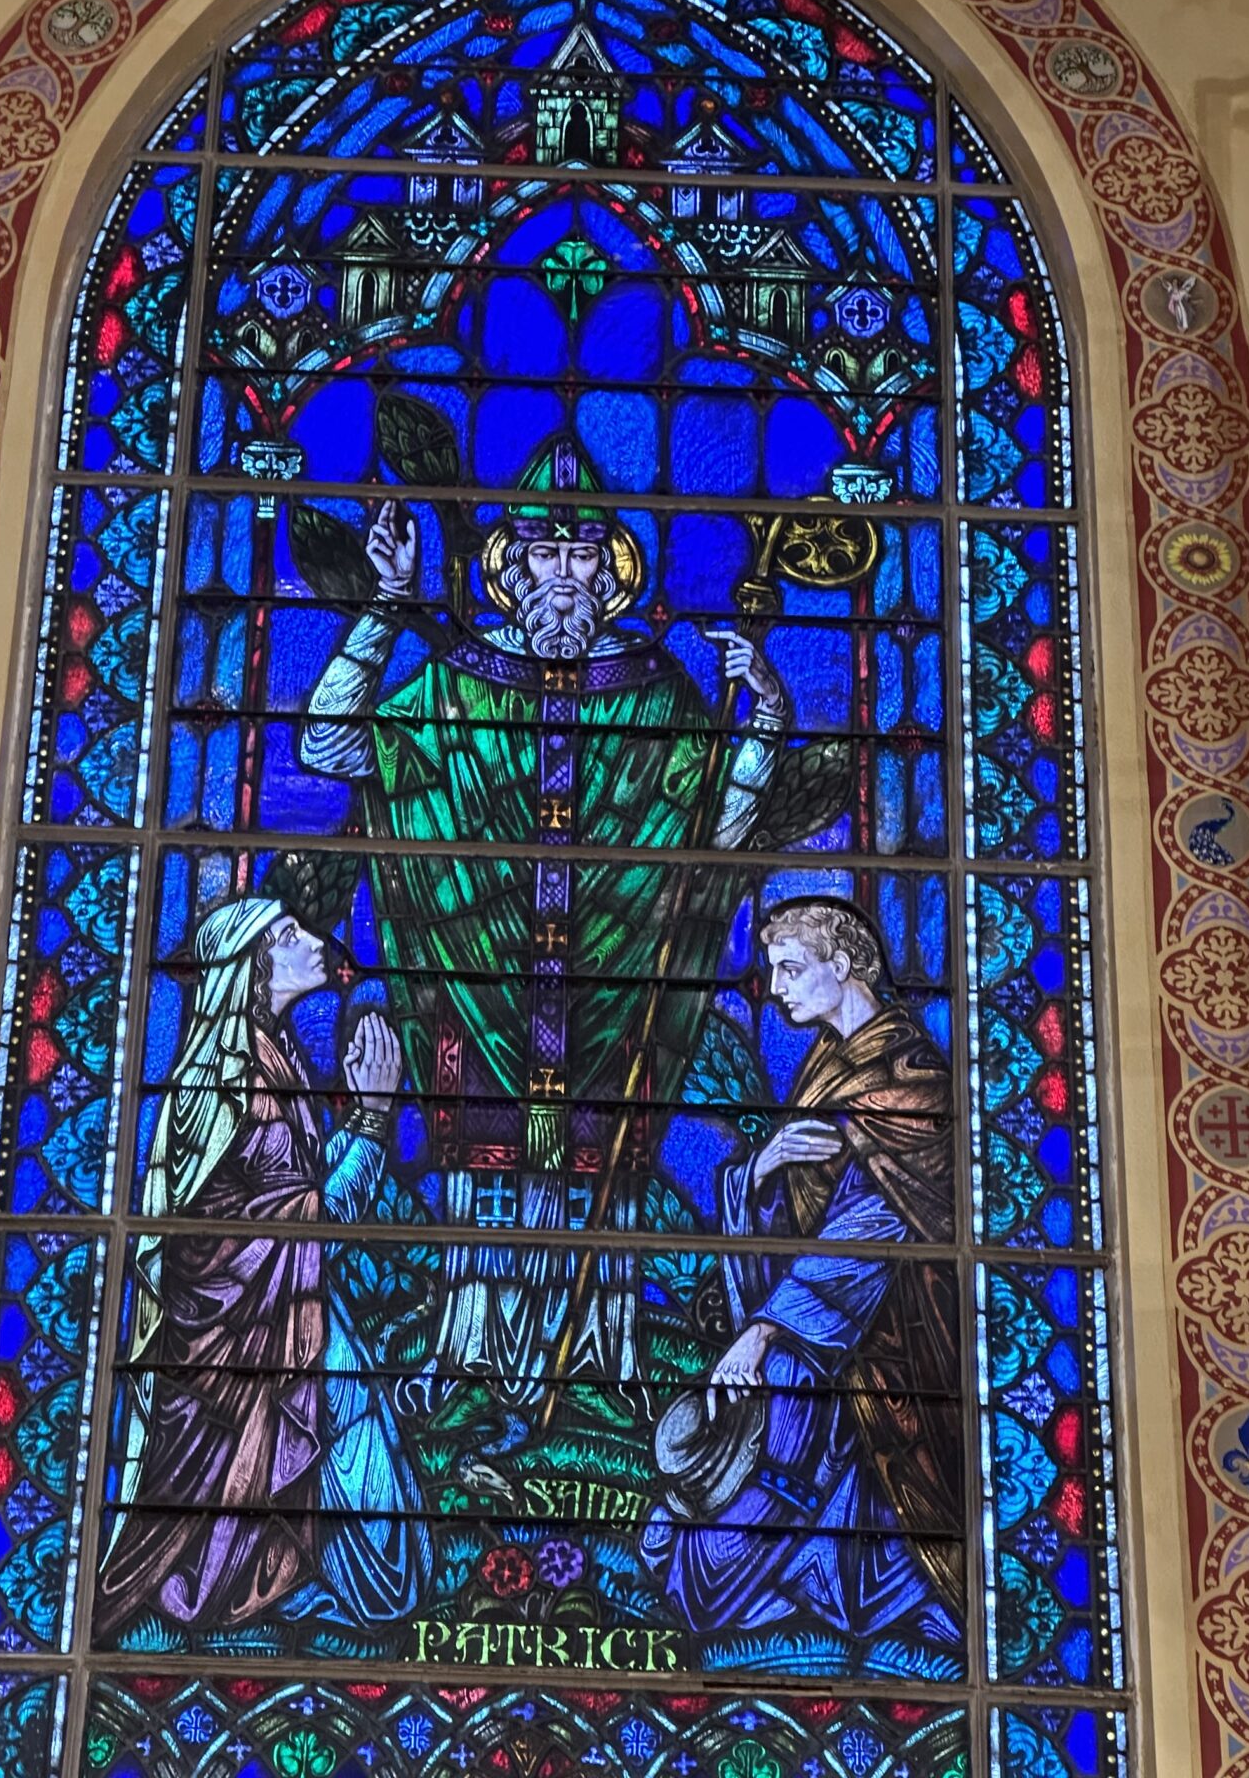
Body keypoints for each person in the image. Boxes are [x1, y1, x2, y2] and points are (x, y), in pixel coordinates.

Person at [299, 431, 788, 1394]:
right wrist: (389, 608)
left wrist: (764, 722)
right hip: (480, 987)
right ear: (510, 569)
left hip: (613, 993)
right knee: (484, 1166)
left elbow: (713, 838)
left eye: (581, 557)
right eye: (542, 555)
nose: (563, 577)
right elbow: (328, 744)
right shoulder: (455, 687)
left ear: (610, 573)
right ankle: (472, 1356)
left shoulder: (656, 696)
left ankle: (601, 1366)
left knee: (599, 1161)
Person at [93, 894, 427, 1643]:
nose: (314, 941)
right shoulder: (231, 1083)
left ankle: (299, 1576)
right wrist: (373, 1118)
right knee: (382, 1564)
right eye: (290, 933)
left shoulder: (273, 1061)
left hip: (285, 1321)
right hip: (235, 1355)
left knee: (388, 1536)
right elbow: (299, 1226)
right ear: (251, 965)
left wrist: (359, 1126)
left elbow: (295, 1207)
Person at [649, 894, 965, 1675]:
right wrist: (760, 1167)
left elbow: (864, 1235)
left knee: (728, 1542)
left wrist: (762, 1334)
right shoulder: (829, 1065)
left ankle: (831, 1592)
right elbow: (800, 1221)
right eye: (772, 971)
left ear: (846, 965)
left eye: (791, 969)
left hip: (897, 1351)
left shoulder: (911, 1081)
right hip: (823, 1337)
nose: (776, 987)